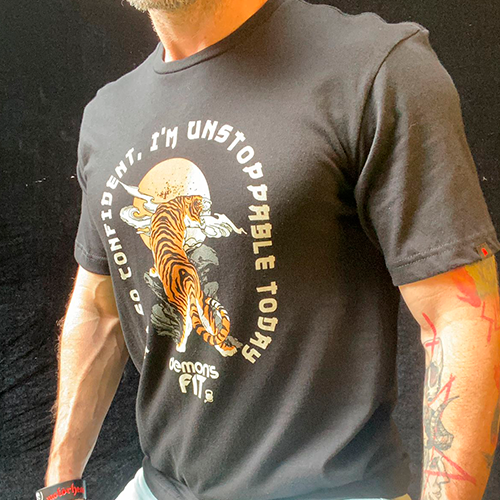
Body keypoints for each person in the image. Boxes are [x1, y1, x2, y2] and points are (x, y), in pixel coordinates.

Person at [39, 0, 500, 499]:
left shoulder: (375, 68)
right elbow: (98, 309)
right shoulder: (108, 116)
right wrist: (61, 484)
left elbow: (460, 313)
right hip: (159, 487)